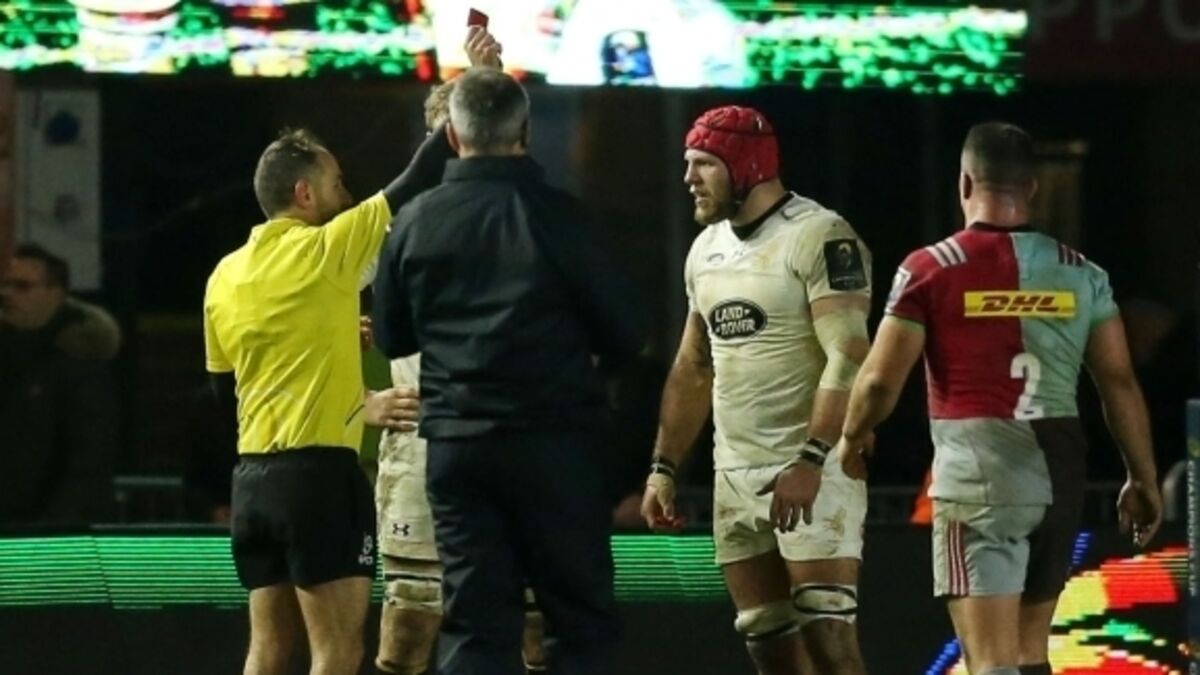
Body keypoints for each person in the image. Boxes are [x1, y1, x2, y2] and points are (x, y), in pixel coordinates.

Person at [832, 122, 1163, 675]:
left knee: (989, 663)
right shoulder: (1083, 274)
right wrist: (1142, 477)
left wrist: (852, 435)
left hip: (979, 476)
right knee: (1031, 656)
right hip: (1059, 474)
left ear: (965, 183)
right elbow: (1119, 382)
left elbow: (878, 382)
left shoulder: (928, 270)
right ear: (1031, 187)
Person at [372, 68, 645, 675]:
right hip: (556, 447)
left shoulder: (415, 221)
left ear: (453, 136)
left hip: (458, 450)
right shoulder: (564, 219)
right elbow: (627, 334)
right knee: (576, 624)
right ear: (524, 131)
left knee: (474, 626)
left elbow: (392, 336)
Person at [203, 123, 453, 675]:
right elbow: (415, 179)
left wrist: (328, 342)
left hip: (253, 482)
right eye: (338, 184)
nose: (347, 195)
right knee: (337, 652)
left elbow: (226, 389)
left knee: (267, 651)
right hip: (318, 480)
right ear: (305, 193)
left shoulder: (224, 274)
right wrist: (468, 101)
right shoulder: (328, 249)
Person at [640, 105, 872, 675]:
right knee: (768, 644)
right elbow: (693, 366)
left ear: (746, 164)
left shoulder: (820, 235)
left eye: (703, 163)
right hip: (735, 475)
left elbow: (850, 355)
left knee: (828, 636)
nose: (688, 178)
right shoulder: (705, 250)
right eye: (688, 163)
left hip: (812, 470)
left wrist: (812, 459)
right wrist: (663, 469)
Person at [372, 28, 548, 675]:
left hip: (512, 433)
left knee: (536, 623)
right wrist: (359, 401)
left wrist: (490, 79)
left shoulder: (528, 217)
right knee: (410, 623)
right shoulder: (395, 227)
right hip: (421, 441)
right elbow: (316, 308)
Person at [0, 242, 121, 524]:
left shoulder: (81, 359)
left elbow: (89, 458)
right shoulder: (9, 353)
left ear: (55, 293)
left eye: (22, 286)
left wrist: (54, 527)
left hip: (51, 531)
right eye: (5, 285)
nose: (7, 294)